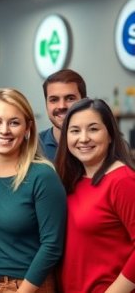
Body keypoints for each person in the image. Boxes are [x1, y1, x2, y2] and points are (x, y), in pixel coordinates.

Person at [0, 88, 66, 293]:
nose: (4, 130)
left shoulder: (42, 176)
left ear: (27, 128)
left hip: (29, 285)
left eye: (14, 122)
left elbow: (52, 245)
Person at [55, 98, 135, 293]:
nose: (83, 138)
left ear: (110, 135)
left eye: (93, 129)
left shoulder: (122, 180)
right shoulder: (70, 180)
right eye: (75, 131)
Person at [38, 69, 86, 161]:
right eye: (54, 100)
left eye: (70, 98)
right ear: (46, 104)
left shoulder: (97, 145)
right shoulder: (34, 147)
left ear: (85, 101)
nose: (61, 106)